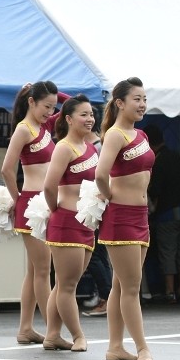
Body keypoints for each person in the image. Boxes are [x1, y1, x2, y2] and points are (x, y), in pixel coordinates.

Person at [0, 82, 68, 345]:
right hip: (31, 204)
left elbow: (72, 105)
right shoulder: (24, 129)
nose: (50, 112)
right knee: (42, 270)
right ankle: (53, 330)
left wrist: (52, 93)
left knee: (34, 271)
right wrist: (18, 200)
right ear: (31, 102)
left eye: (53, 107)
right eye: (46, 106)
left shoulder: (44, 127)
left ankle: (26, 328)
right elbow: (7, 169)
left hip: (43, 203)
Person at [95, 77, 154, 360]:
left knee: (121, 285)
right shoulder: (115, 134)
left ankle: (115, 347)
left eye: (144, 99)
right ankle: (142, 348)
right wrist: (109, 198)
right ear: (120, 103)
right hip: (121, 217)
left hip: (140, 216)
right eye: (137, 99)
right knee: (131, 287)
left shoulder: (140, 135)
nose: (142, 104)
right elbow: (100, 174)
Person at [42, 95, 98, 351]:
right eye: (83, 115)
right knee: (67, 285)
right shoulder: (64, 147)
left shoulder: (90, 147)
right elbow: (49, 185)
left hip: (86, 223)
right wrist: (57, 210)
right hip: (66, 221)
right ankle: (78, 336)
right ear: (69, 119)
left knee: (64, 284)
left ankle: (52, 335)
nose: (89, 119)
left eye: (91, 114)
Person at [143, 124, 180, 303]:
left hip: (167, 215)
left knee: (168, 252)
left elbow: (156, 189)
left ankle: (170, 291)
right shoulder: (176, 156)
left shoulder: (158, 160)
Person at [81, 130, 112, 317]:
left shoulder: (98, 147)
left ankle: (106, 297)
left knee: (94, 254)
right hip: (89, 206)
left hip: (95, 206)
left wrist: (104, 198)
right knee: (98, 254)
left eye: (90, 116)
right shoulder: (87, 146)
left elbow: (104, 177)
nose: (88, 119)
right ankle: (106, 296)